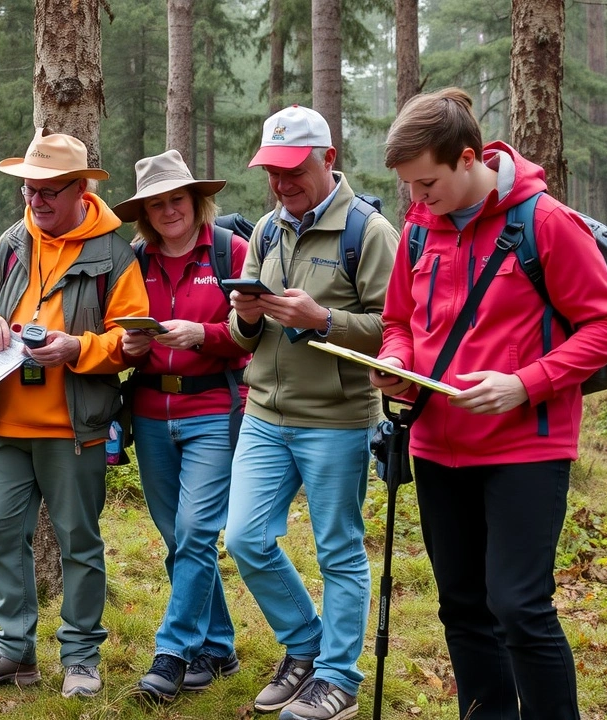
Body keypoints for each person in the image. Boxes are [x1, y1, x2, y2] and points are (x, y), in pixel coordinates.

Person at [375, 88, 607, 720]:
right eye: (408, 186)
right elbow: (398, 321)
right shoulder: (416, 230)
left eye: (426, 182)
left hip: (526, 446)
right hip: (437, 445)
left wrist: (526, 383)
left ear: (469, 159)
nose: (416, 198)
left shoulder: (544, 222)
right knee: (461, 606)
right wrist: (398, 363)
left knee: (518, 606)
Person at [0, 129, 148, 698]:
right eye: (29, 191)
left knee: (78, 542)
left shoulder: (113, 252)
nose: (36, 202)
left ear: (81, 189)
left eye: (48, 192)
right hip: (2, 424)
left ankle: (81, 657)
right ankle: (14, 650)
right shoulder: (12, 242)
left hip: (73, 428)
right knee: (1, 538)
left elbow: (132, 341)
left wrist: (75, 349)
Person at [224, 105, 398, 720]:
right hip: (265, 414)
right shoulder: (268, 232)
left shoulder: (369, 234)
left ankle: (337, 680)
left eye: (293, 169)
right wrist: (244, 318)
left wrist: (323, 320)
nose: (281, 183)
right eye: (272, 170)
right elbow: (243, 332)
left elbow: (397, 331)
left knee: (339, 550)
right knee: (244, 537)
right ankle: (306, 645)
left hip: (337, 418)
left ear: (328, 159)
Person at [112, 150, 251, 702]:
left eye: (178, 199)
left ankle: (172, 654)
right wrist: (128, 346)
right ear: (145, 211)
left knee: (196, 532)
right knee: (177, 539)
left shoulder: (229, 250)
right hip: (148, 412)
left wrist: (204, 335)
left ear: (197, 200)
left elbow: (252, 332)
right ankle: (218, 646)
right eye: (158, 203)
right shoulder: (135, 261)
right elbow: (115, 336)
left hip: (212, 408)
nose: (169, 210)